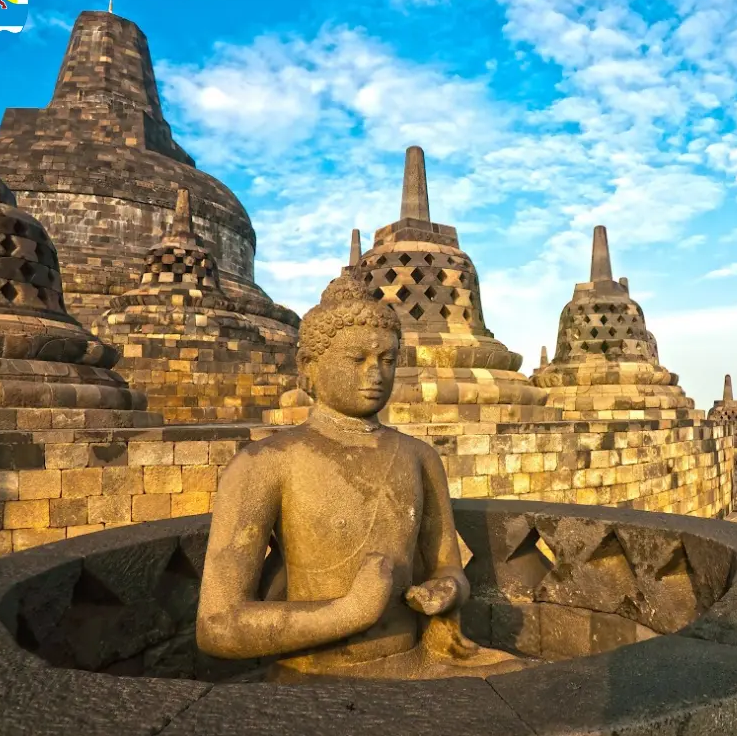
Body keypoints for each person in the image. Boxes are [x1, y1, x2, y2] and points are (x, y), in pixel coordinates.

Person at [196, 274, 524, 680]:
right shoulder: (265, 462)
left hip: (419, 663)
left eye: (387, 360)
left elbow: (448, 569)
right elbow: (217, 625)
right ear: (309, 367)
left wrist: (446, 591)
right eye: (357, 360)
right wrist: (349, 613)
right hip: (315, 676)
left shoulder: (419, 457)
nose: (376, 374)